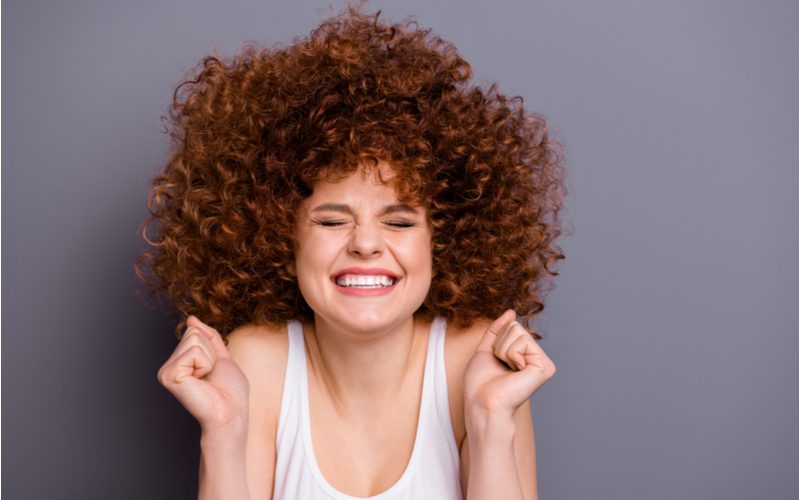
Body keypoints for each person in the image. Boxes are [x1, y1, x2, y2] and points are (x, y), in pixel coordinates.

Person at [139, 6, 565, 500]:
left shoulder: (474, 362)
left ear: (443, 240)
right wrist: (223, 430)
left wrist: (492, 419)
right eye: (332, 220)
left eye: (400, 221)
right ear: (280, 231)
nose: (365, 243)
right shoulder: (257, 364)